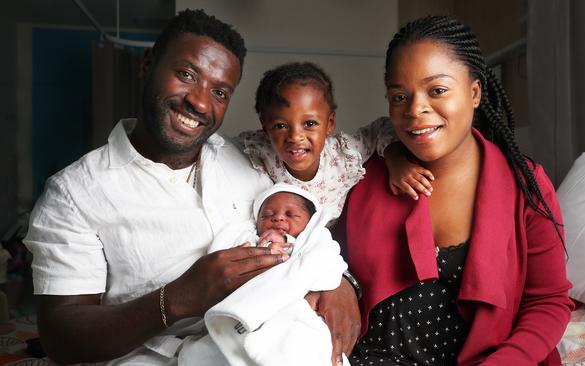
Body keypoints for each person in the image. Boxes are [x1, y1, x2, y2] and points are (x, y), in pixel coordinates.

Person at [23, 9, 360, 365]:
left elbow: (300, 231)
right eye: (186, 74)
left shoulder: (246, 159)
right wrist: (178, 299)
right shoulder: (74, 194)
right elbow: (61, 336)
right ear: (148, 64)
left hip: (260, 346)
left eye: (219, 92)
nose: (199, 102)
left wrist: (341, 281)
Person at [335, 16, 574, 365]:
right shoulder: (360, 174)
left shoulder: (525, 184)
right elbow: (317, 248)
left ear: (474, 93)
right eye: (399, 96)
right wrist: (339, 281)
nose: (415, 110)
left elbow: (548, 301)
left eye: (437, 90)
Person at [236, 62, 436, 219]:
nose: (295, 137)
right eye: (280, 126)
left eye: (310, 124)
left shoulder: (342, 155)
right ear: (265, 127)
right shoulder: (258, 149)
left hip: (327, 247)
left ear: (330, 123)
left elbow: (382, 128)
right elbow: (218, 147)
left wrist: (397, 161)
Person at [181, 183, 351, 365]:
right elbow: (224, 264)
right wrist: (261, 248)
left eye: (290, 215)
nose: (278, 218)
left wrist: (288, 243)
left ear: (310, 222)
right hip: (246, 307)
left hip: (293, 309)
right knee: (206, 353)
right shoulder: (248, 239)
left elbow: (325, 264)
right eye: (268, 215)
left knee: (300, 343)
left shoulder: (311, 242)